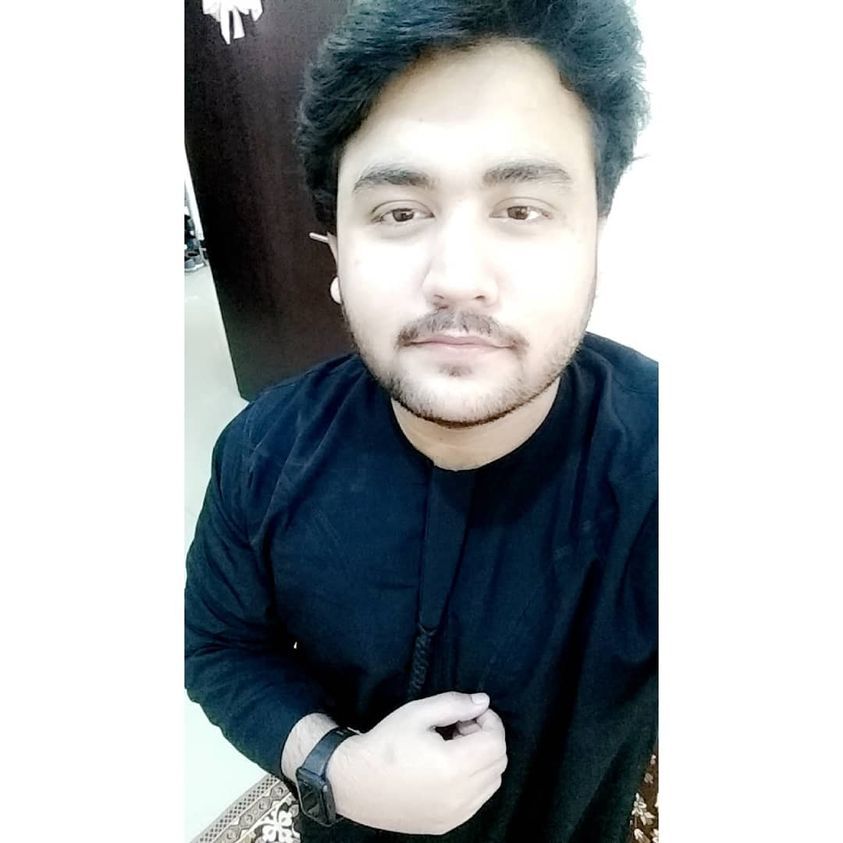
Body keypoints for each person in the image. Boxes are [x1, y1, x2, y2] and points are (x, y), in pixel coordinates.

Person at [185, 1, 657, 840]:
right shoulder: (263, 452)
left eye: (521, 209)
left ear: (595, 237)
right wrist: (332, 766)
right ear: (336, 254)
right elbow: (218, 649)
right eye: (399, 212)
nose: (456, 277)